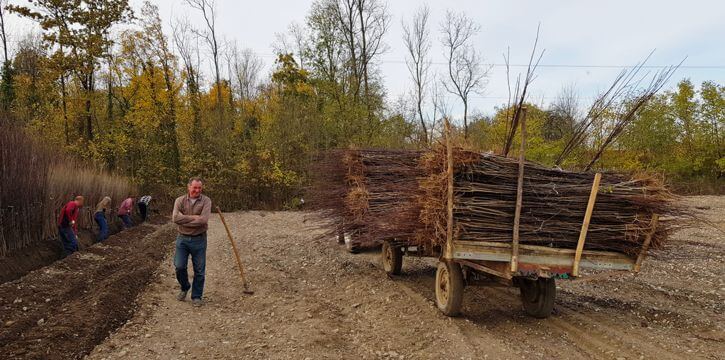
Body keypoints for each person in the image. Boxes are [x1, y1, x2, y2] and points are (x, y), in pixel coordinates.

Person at [172, 177, 212, 307]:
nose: (197, 190)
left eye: (199, 188)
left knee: (199, 270)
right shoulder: (179, 200)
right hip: (182, 239)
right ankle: (185, 287)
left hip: (199, 239)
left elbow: (203, 220)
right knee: (179, 266)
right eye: (194, 187)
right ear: (188, 187)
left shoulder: (206, 201)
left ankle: (196, 296)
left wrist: (184, 219)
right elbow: (175, 218)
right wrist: (194, 217)